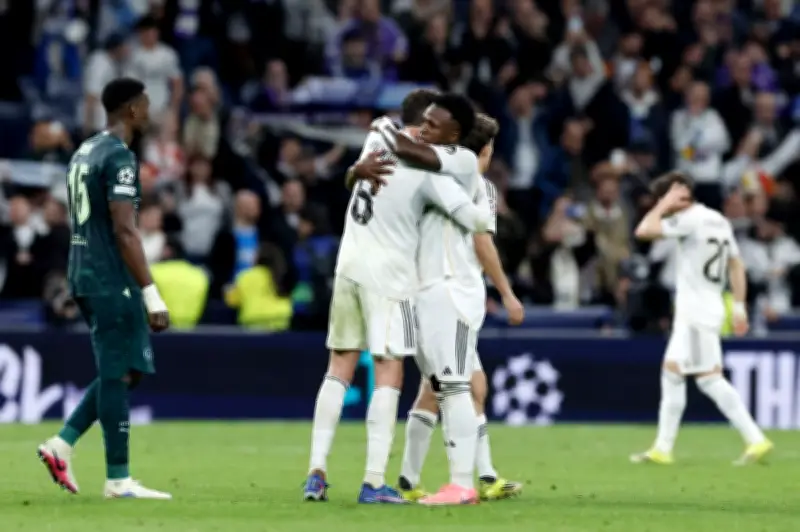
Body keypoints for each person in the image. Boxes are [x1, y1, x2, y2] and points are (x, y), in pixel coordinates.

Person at [304, 90, 490, 504]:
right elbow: (471, 216)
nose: (427, 130)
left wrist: (358, 163)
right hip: (389, 276)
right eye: (427, 123)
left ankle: (316, 472)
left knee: (338, 367)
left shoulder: (375, 140)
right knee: (390, 372)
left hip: (347, 265)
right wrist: (487, 210)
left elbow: (358, 176)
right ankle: (373, 483)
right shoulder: (431, 171)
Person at [36, 78, 172, 500]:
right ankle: (118, 479)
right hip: (110, 277)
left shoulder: (85, 150)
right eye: (145, 104)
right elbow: (125, 230)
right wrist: (151, 292)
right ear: (130, 109)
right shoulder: (119, 157)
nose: (149, 111)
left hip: (83, 271)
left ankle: (62, 445)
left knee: (127, 370)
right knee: (118, 371)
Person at [394, 114, 524, 504]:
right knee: (453, 388)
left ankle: (426, 479)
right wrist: (507, 292)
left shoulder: (426, 177)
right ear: (484, 150)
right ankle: (463, 483)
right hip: (451, 293)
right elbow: (483, 241)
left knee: (450, 387)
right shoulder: (474, 185)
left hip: (425, 292)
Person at [630, 172, 773, 466]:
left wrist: (662, 205)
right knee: (673, 373)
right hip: (707, 307)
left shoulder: (689, 219)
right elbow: (736, 264)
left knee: (709, 379)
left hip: (695, 311)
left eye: (664, 198)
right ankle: (662, 448)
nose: (662, 205)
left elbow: (643, 230)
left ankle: (755, 439)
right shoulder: (718, 220)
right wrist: (739, 306)